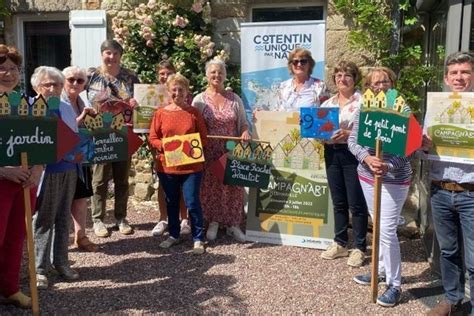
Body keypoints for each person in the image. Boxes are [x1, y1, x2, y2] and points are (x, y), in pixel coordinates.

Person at [348, 67, 412, 307]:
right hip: (368, 176)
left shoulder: (403, 110)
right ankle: (381, 270)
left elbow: (409, 147)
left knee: (386, 230)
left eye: (384, 81)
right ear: (368, 87)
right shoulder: (364, 109)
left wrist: (388, 165)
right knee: (379, 224)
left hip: (393, 180)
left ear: (392, 83)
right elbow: (353, 141)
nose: (380, 86)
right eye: (374, 83)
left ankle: (394, 284)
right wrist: (367, 159)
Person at [425, 51, 474, 316]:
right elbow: (424, 148)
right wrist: (422, 146)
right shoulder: (436, 107)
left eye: (465, 72)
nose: (459, 77)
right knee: (448, 251)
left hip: (471, 192)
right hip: (440, 190)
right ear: (446, 78)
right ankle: (452, 298)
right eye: (454, 73)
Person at [0, 44, 43, 309]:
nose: (8, 73)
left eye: (13, 68)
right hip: (1, 182)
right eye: (2, 68)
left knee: (16, 237)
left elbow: (42, 141)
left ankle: (10, 288)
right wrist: (3, 170)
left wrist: (37, 170)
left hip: (25, 182)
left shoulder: (28, 103)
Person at [32, 66, 81, 289]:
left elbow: (74, 135)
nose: (53, 88)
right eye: (47, 84)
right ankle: (40, 269)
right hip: (45, 172)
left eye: (57, 84)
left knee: (63, 218)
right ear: (36, 87)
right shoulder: (31, 108)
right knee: (44, 220)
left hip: (68, 169)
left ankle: (61, 262)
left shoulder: (65, 106)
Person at [192, 59, 251, 242]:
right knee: (210, 187)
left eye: (220, 72)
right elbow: (193, 126)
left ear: (225, 76)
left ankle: (233, 224)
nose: (217, 75)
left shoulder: (235, 99)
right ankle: (214, 222)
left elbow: (243, 123)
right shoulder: (199, 100)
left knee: (233, 186)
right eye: (213, 72)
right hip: (209, 151)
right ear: (207, 75)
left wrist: (246, 132)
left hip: (231, 150)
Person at [148, 73, 208, 254]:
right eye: (173, 89)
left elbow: (203, 139)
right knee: (171, 201)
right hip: (167, 166)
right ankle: (174, 234)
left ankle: (198, 238)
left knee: (192, 202)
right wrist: (167, 147)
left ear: (187, 92)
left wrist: (187, 148)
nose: (177, 93)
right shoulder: (160, 113)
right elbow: (153, 138)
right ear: (168, 91)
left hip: (191, 167)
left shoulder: (193, 113)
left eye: (181, 89)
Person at [87, 39, 139, 238]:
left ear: (120, 56)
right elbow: (86, 97)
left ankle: (121, 217)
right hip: (100, 132)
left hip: (123, 132)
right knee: (99, 179)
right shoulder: (91, 75)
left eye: (116, 53)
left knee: (122, 178)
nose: (112, 57)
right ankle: (98, 219)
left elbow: (140, 102)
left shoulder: (130, 77)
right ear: (102, 54)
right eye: (108, 53)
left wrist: (136, 103)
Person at [319, 61, 368, 267]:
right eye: (338, 75)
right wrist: (318, 135)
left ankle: (359, 247)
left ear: (355, 78)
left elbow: (368, 131)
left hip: (353, 153)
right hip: (331, 152)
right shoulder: (327, 104)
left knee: (356, 202)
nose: (342, 78)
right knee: (338, 201)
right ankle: (340, 242)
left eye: (347, 75)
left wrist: (348, 133)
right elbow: (320, 131)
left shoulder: (363, 102)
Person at [149, 60, 190, 237]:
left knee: (181, 183)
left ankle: (184, 219)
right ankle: (163, 218)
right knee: (162, 182)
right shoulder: (150, 95)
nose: (165, 76)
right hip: (161, 145)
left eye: (168, 73)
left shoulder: (180, 93)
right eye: (162, 73)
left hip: (182, 146)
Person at [61, 66, 98, 252]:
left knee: (82, 197)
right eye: (71, 79)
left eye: (80, 80)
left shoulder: (82, 101)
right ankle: (60, 244)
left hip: (80, 156)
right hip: (62, 160)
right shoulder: (58, 102)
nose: (75, 83)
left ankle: (81, 236)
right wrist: (83, 117)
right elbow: (65, 129)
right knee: (62, 200)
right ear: (63, 81)